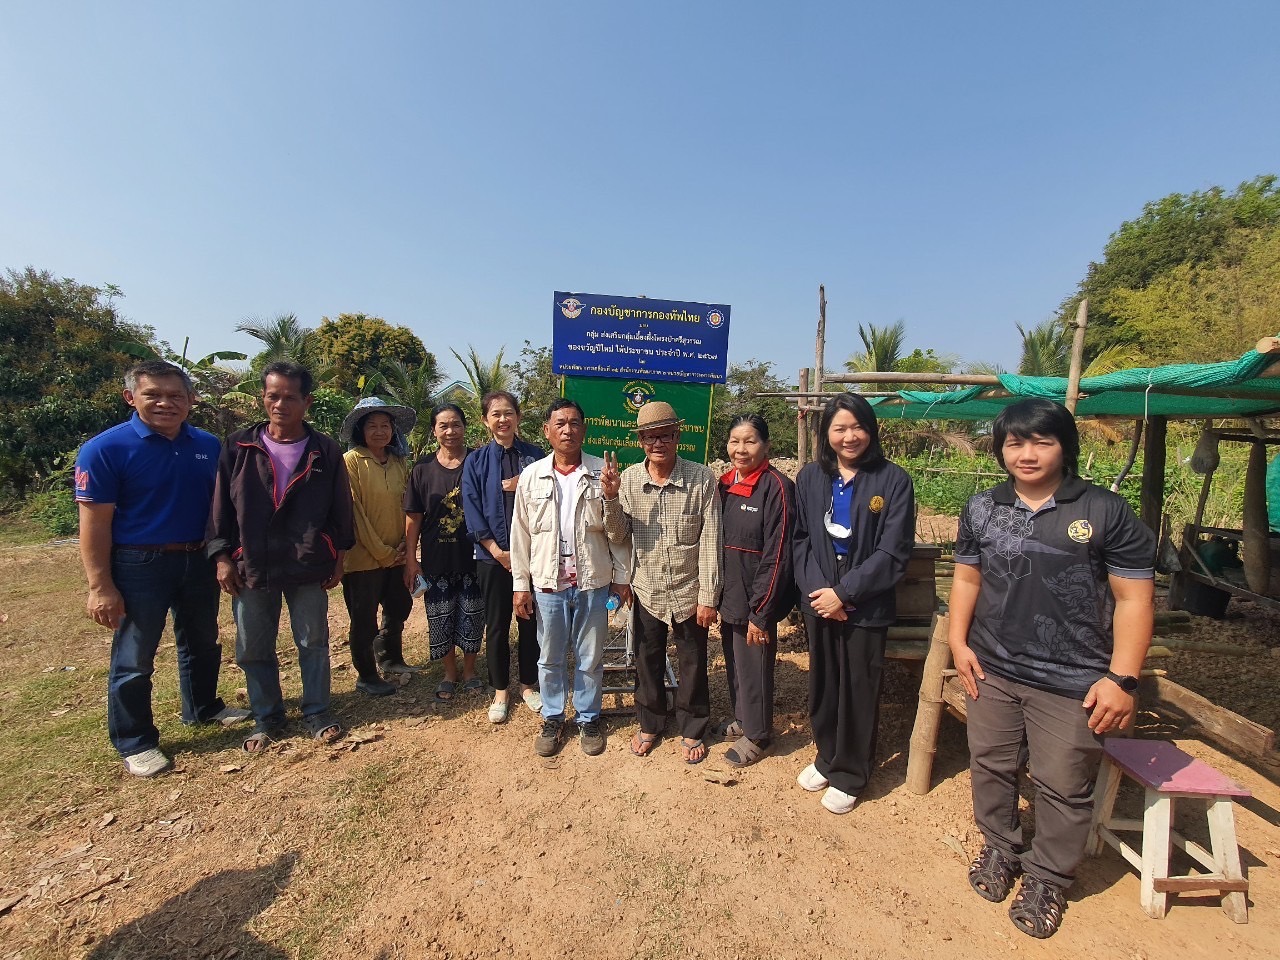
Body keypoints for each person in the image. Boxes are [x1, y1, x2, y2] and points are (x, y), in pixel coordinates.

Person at [949, 398, 1155, 939]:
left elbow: (1134, 600)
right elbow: (968, 580)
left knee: (1062, 783)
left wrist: (1121, 679)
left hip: (1074, 679)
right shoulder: (981, 508)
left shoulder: (1104, 511)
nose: (1026, 453)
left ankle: (1046, 879)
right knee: (990, 765)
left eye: (1041, 441)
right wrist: (957, 641)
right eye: (1015, 443)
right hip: (992, 665)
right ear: (1000, 449)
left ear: (1065, 446)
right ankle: (1000, 849)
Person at [75, 359, 245, 777]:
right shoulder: (105, 449)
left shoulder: (206, 444)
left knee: (202, 641)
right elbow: (94, 522)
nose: (165, 403)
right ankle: (136, 740)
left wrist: (223, 555)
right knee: (135, 656)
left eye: (175, 396)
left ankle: (204, 708)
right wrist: (100, 585)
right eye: (153, 395)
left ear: (190, 400)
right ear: (131, 398)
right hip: (139, 563)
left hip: (197, 557)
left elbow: (221, 510)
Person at [207, 361, 354, 751]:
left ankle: (318, 711)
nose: (280, 404)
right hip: (251, 561)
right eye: (273, 396)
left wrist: (338, 554)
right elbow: (220, 506)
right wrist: (221, 555)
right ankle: (267, 716)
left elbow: (341, 507)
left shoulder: (324, 449)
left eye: (290, 397)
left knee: (313, 641)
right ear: (263, 397)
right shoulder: (239, 446)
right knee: (253, 646)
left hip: (307, 560)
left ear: (306, 401)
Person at [793, 393, 914, 814]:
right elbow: (802, 540)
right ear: (826, 433)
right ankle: (827, 757)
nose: (849, 436)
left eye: (857, 427)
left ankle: (851, 772)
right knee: (824, 684)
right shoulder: (809, 477)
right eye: (839, 428)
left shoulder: (893, 480)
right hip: (819, 599)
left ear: (871, 430)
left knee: (859, 688)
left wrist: (845, 594)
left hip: (867, 602)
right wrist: (822, 594)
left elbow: (893, 551)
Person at [602, 401, 722, 764]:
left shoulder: (702, 479)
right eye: (651, 437)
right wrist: (610, 497)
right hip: (647, 588)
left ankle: (692, 726)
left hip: (689, 589)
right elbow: (618, 535)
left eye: (666, 435)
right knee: (647, 659)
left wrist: (708, 596)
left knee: (692, 661)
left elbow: (712, 541)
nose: (659, 443)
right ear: (641, 440)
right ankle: (650, 722)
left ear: (678, 436)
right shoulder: (630, 481)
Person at [511, 399, 632, 757]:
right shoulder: (532, 476)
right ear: (547, 431)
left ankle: (588, 717)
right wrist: (521, 584)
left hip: (593, 582)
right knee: (548, 657)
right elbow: (520, 534)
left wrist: (622, 575)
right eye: (560, 423)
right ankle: (552, 715)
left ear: (585, 429)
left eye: (575, 423)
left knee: (590, 656)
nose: (568, 429)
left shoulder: (602, 472)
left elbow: (618, 532)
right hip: (549, 584)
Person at [717, 413, 796, 768]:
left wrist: (761, 610)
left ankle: (759, 734)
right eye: (735, 441)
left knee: (755, 663)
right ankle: (744, 719)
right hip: (729, 591)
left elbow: (778, 553)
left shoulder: (777, 487)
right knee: (735, 660)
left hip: (756, 597)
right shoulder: (724, 484)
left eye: (750, 441)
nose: (741, 449)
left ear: (766, 446)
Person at [461, 390, 545, 724]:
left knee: (529, 621)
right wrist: (497, 551)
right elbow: (472, 508)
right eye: (495, 414)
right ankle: (500, 690)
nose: (502, 419)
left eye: (508, 413)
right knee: (496, 624)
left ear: (518, 417)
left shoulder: (535, 457)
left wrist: (522, 485)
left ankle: (527, 684)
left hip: (532, 556)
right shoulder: (476, 461)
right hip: (490, 557)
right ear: (485, 420)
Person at [404, 403, 484, 701]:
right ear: (434, 430)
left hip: (475, 557)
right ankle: (449, 674)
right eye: (443, 426)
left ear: (465, 427)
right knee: (441, 617)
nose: (450, 431)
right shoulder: (422, 469)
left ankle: (470, 671)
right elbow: (413, 518)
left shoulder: (477, 462)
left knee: (473, 615)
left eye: (456, 424)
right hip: (436, 559)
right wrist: (412, 559)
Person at [339, 396, 417, 697]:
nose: (380, 431)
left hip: (397, 555)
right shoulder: (351, 462)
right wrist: (384, 553)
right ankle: (367, 675)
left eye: (385, 425)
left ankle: (391, 659)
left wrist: (404, 547)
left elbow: (408, 504)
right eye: (372, 426)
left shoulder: (398, 462)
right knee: (363, 619)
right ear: (361, 430)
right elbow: (355, 512)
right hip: (363, 560)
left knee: (399, 606)